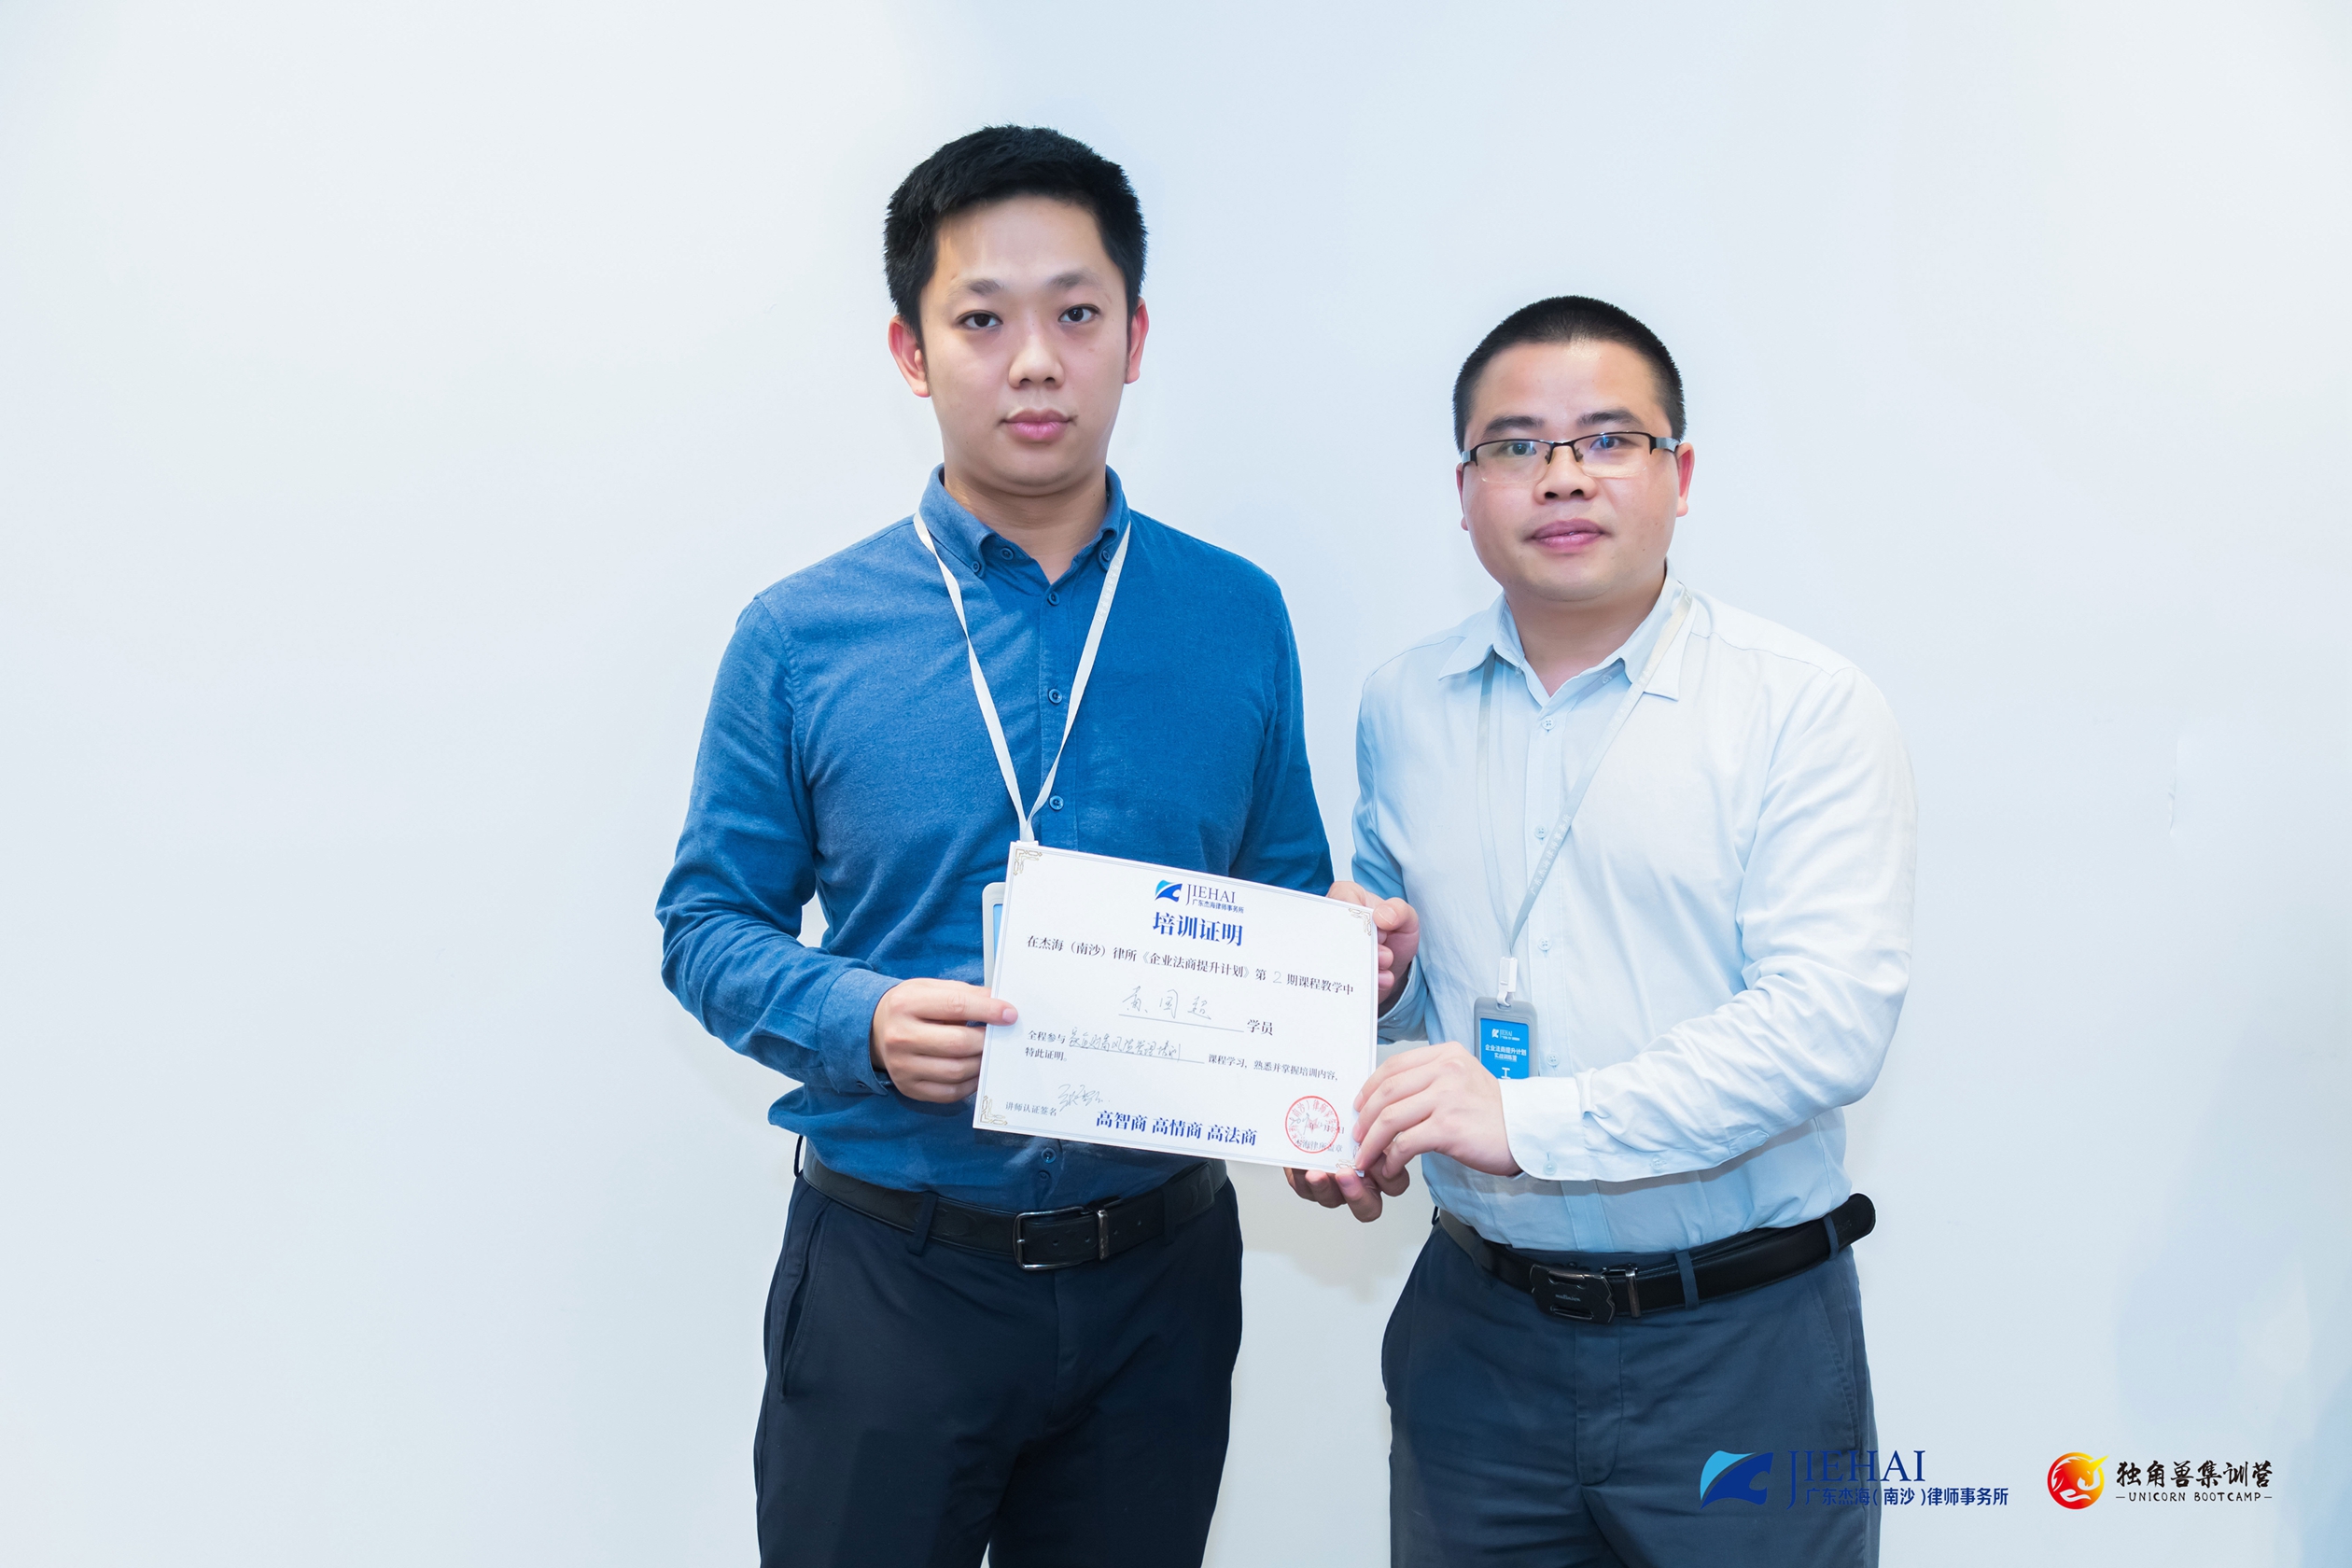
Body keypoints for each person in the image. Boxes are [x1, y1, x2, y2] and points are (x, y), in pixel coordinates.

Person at [656, 126, 1334, 1568]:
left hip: (1157, 1282)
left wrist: (1349, 973)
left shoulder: (1235, 615)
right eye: (982, 320)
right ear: (912, 351)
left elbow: (1286, 897)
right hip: (894, 1276)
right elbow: (706, 924)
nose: (1035, 361)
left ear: (1135, 339)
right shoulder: (800, 635)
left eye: (1077, 314)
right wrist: (859, 1017)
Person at [1295, 296, 1916, 1566]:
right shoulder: (1403, 705)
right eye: (1516, 445)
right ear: (1463, 491)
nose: (1563, 475)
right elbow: (1415, 1003)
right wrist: (1369, 1015)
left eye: (1609, 439)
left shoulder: (1804, 708)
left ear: (1681, 476)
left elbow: (1824, 1026)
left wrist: (1527, 1124)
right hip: (1478, 1339)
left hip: (1736, 1343)